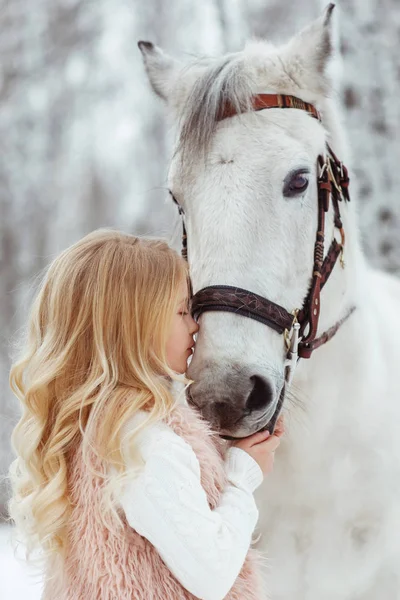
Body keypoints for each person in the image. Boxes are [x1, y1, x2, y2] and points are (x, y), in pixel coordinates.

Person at [8, 229, 284, 600]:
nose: (196, 324)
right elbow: (211, 572)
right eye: (182, 311)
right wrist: (241, 476)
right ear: (134, 326)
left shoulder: (96, 430)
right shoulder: (143, 445)